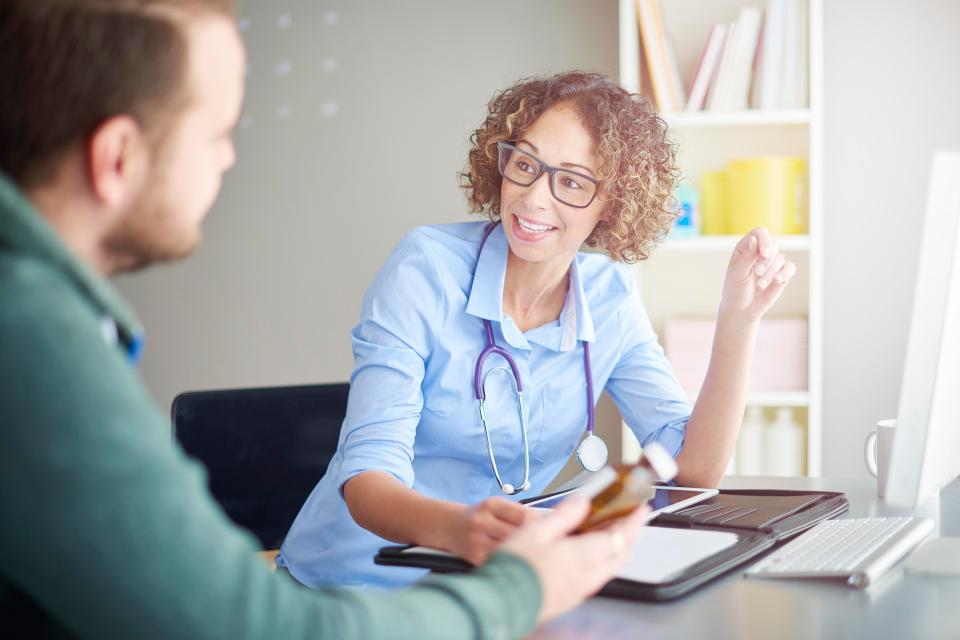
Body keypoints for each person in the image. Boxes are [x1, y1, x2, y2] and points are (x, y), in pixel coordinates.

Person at [0, 2, 649, 638]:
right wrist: (520, 587)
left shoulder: (50, 319)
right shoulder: (34, 341)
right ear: (117, 157)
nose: (228, 160)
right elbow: (259, 624)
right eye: (218, 135)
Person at [278, 71, 797, 589]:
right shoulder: (425, 270)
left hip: (490, 586)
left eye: (571, 181)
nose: (533, 198)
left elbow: (692, 471)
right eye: (524, 164)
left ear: (612, 205)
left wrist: (738, 319)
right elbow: (367, 481)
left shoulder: (610, 295)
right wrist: (463, 530)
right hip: (350, 587)